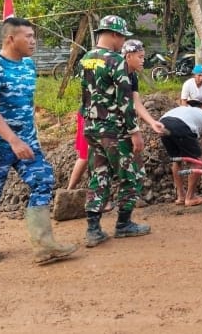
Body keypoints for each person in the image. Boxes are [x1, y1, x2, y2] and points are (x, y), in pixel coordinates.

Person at [0, 17, 77, 264]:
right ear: (11, 39)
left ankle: (43, 245)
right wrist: (13, 141)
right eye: (28, 37)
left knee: (43, 180)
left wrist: (29, 136)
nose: (33, 41)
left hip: (26, 141)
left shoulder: (29, 65)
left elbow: (26, 104)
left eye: (33, 36)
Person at [81, 15, 151, 248]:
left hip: (91, 127)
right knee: (132, 174)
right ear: (112, 34)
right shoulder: (115, 61)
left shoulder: (87, 58)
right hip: (114, 129)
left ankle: (93, 229)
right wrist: (135, 131)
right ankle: (123, 224)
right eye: (121, 36)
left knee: (98, 175)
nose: (123, 42)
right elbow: (125, 101)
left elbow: (86, 95)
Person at [67, 39, 164, 194]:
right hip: (92, 117)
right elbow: (121, 103)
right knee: (87, 155)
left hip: (111, 120)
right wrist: (134, 131)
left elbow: (135, 103)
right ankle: (69, 191)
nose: (143, 61)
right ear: (128, 56)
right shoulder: (113, 68)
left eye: (143, 57)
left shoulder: (132, 77)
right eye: (140, 57)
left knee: (109, 157)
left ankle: (111, 197)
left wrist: (152, 122)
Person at [159, 96, 202, 206]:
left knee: (177, 160)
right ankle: (190, 198)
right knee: (197, 161)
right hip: (180, 125)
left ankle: (181, 196)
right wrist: (201, 155)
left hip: (162, 124)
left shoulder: (183, 109)